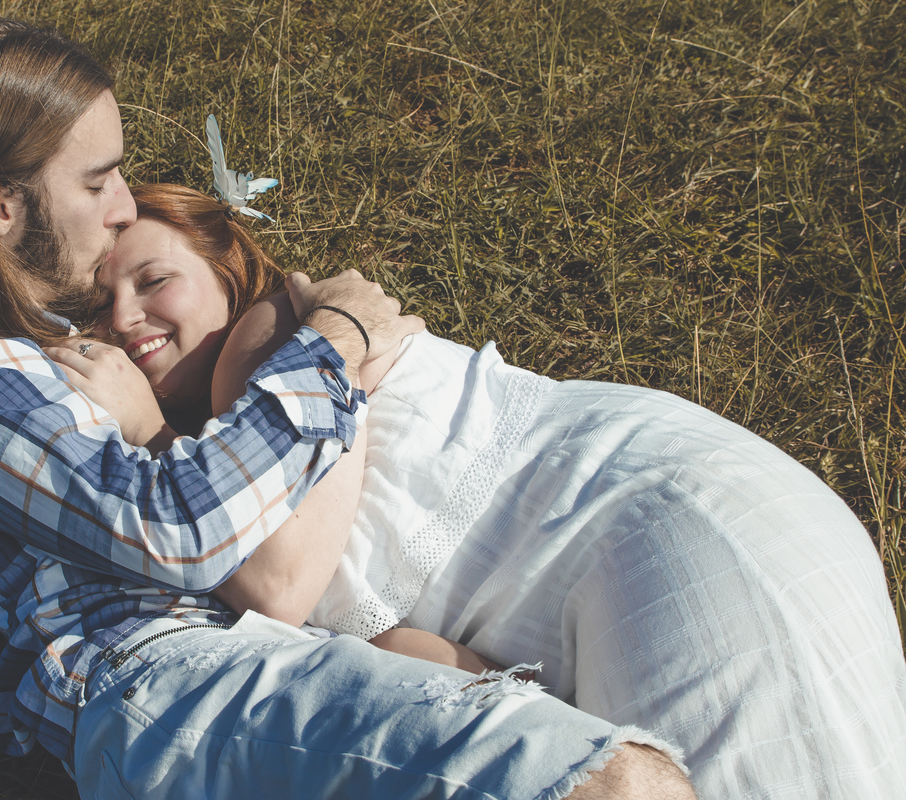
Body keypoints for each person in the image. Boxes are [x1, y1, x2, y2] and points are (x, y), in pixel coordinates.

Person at [0, 16, 694, 800]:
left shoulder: (44, 343)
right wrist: (332, 344)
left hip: (245, 669)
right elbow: (177, 527)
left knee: (622, 762)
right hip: (173, 678)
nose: (122, 205)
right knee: (619, 782)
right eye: (96, 180)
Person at [73, 180, 906, 799]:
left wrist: (148, 433)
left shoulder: (269, 339)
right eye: (100, 303)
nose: (124, 316)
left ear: (226, 268)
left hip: (660, 521)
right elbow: (422, 661)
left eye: (153, 279)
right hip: (671, 524)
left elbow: (275, 584)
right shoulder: (232, 439)